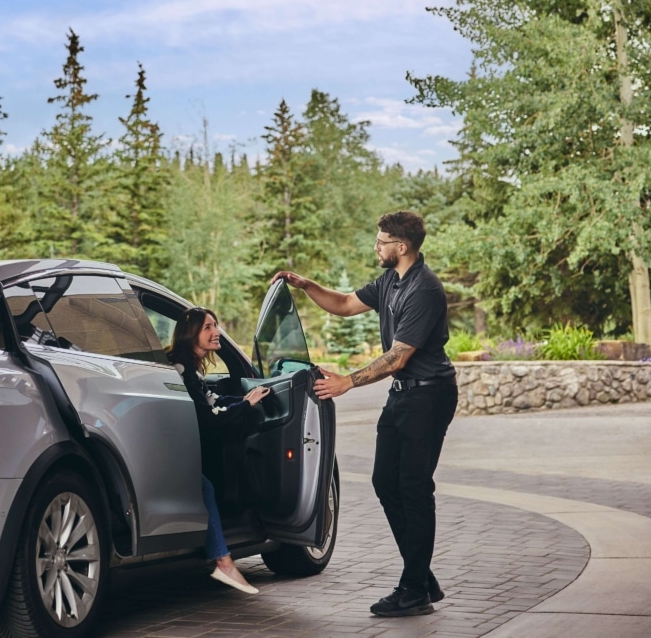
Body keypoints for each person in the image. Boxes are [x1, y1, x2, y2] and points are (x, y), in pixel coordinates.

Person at [272, 210, 457, 617]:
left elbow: (398, 357)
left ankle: (413, 588)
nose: (376, 246)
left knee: (413, 487)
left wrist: (346, 382)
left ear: (402, 247)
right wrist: (306, 286)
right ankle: (421, 576)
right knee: (383, 481)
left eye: (381, 241)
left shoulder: (424, 289)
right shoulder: (390, 281)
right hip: (404, 396)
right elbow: (343, 304)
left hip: (429, 395)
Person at [167, 306, 272, 595]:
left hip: (178, 447)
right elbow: (209, 420)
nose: (217, 332)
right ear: (191, 335)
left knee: (208, 486)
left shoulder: (188, 367)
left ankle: (223, 560)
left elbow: (210, 399)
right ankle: (224, 562)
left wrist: (244, 398)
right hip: (171, 452)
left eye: (216, 325)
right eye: (208, 327)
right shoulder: (183, 369)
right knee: (206, 488)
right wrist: (245, 405)